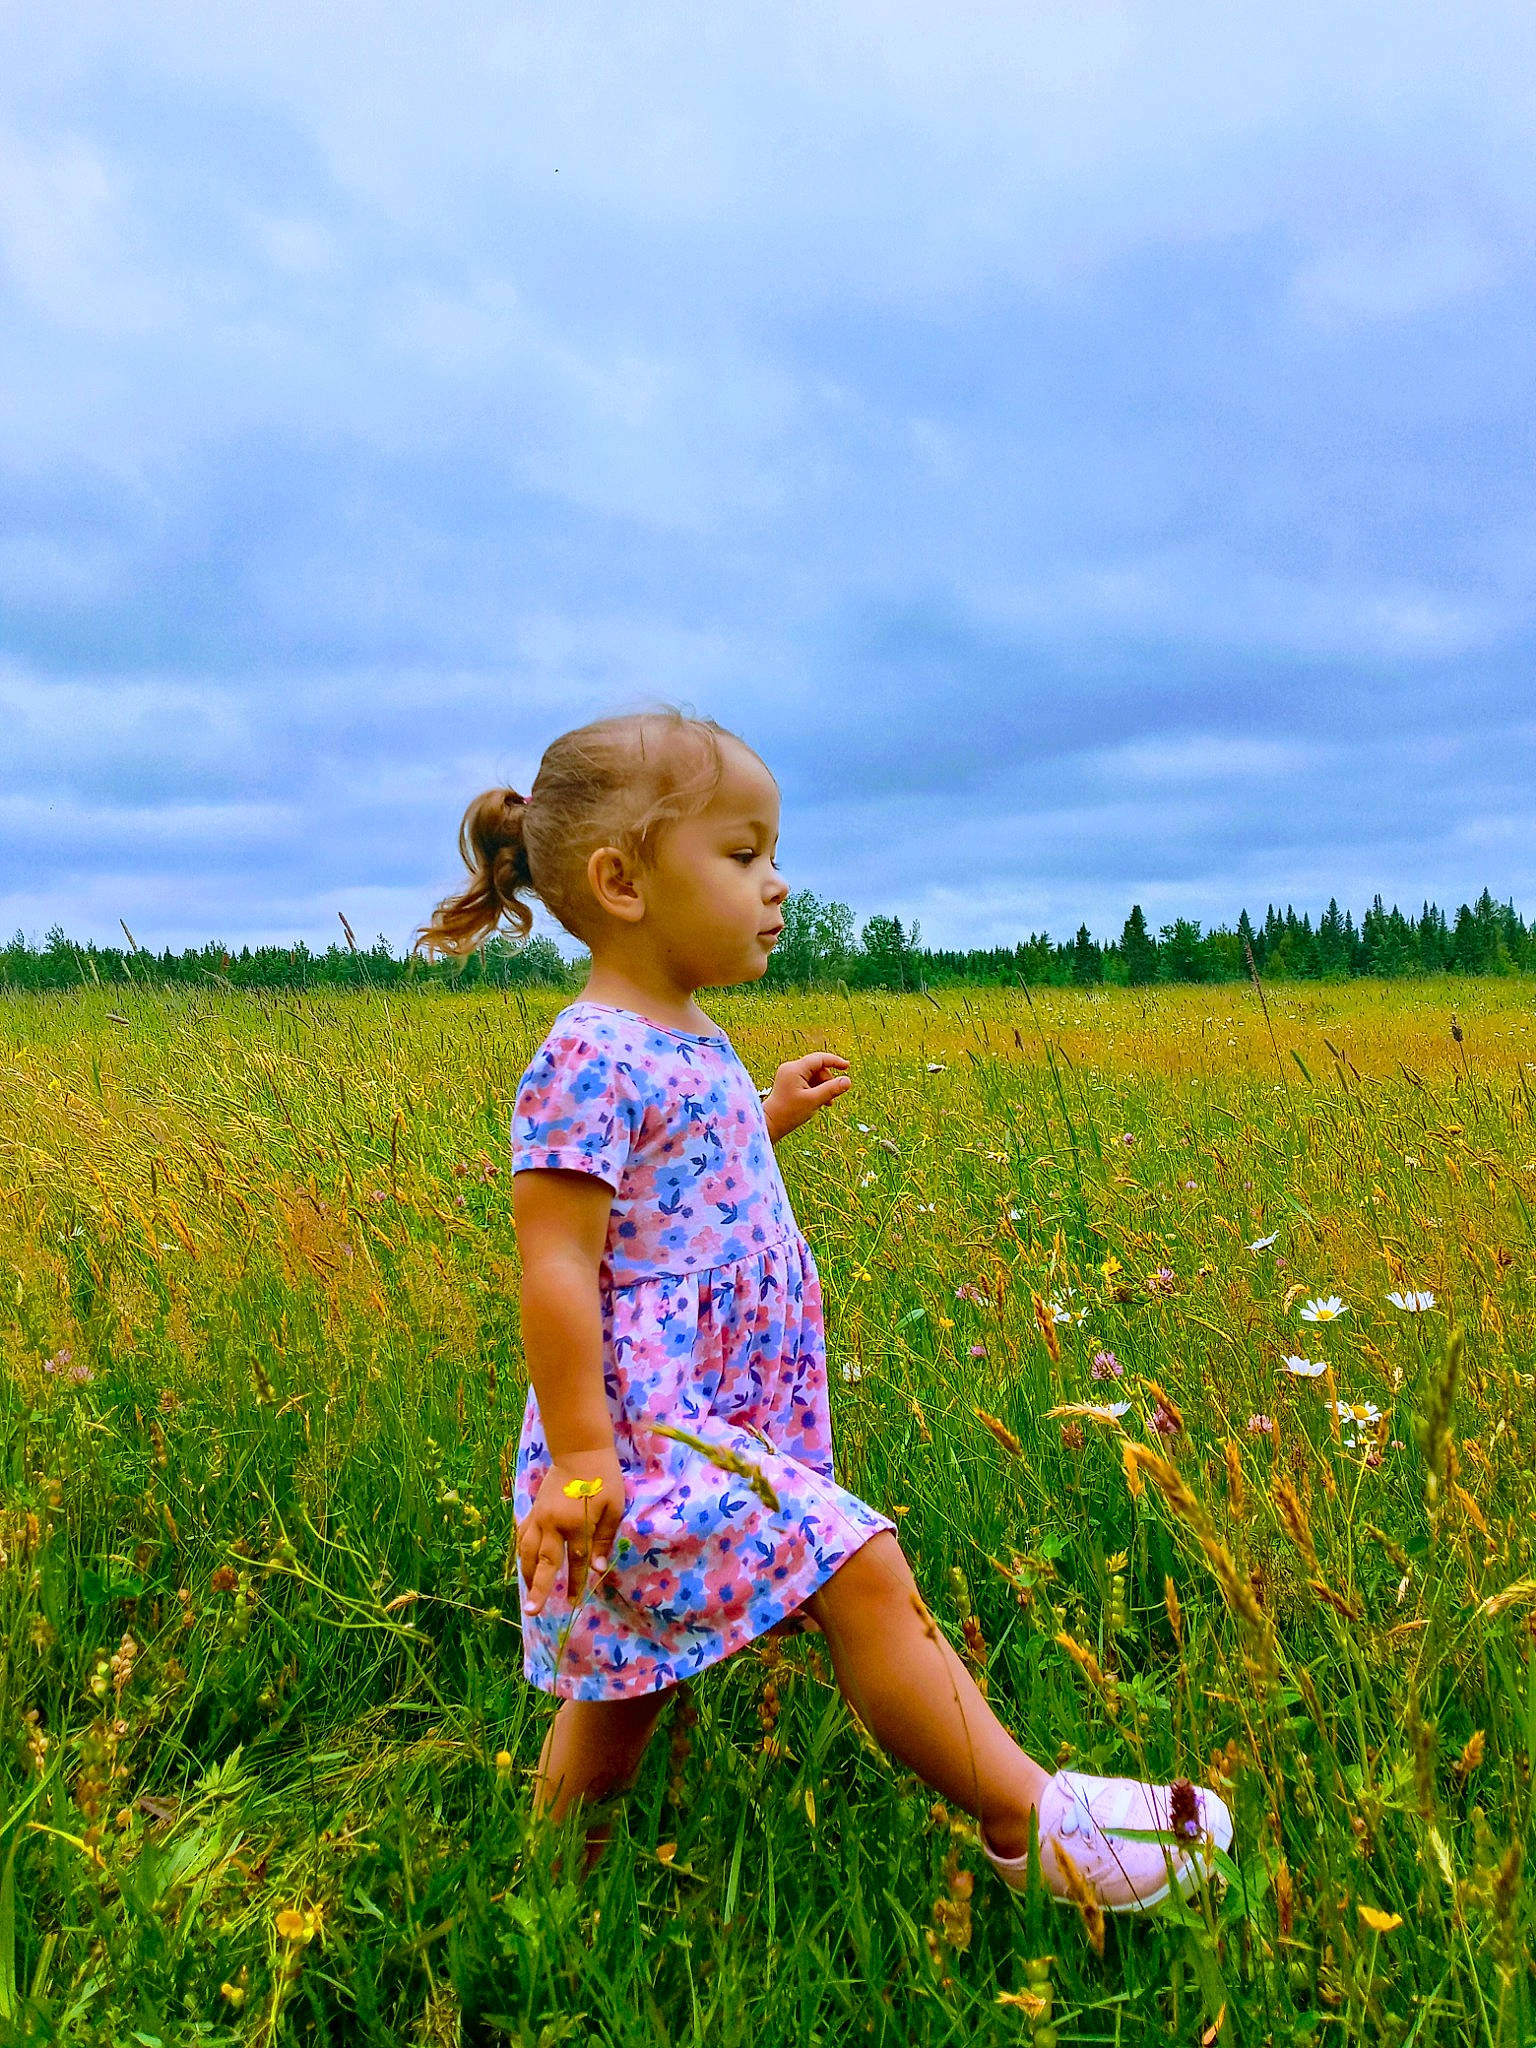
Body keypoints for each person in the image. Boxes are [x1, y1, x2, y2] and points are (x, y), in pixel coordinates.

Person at [414, 705, 1232, 1911]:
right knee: (862, 1567)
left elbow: (671, 1180)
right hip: (644, 1431)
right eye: (743, 856)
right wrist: (584, 1456)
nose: (778, 884)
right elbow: (556, 1263)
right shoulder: (585, 1055)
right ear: (622, 880)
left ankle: (546, 1904)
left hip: (709, 1403)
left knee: (629, 1677)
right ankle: (1035, 1823)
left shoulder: (682, 1034)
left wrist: (764, 1108)